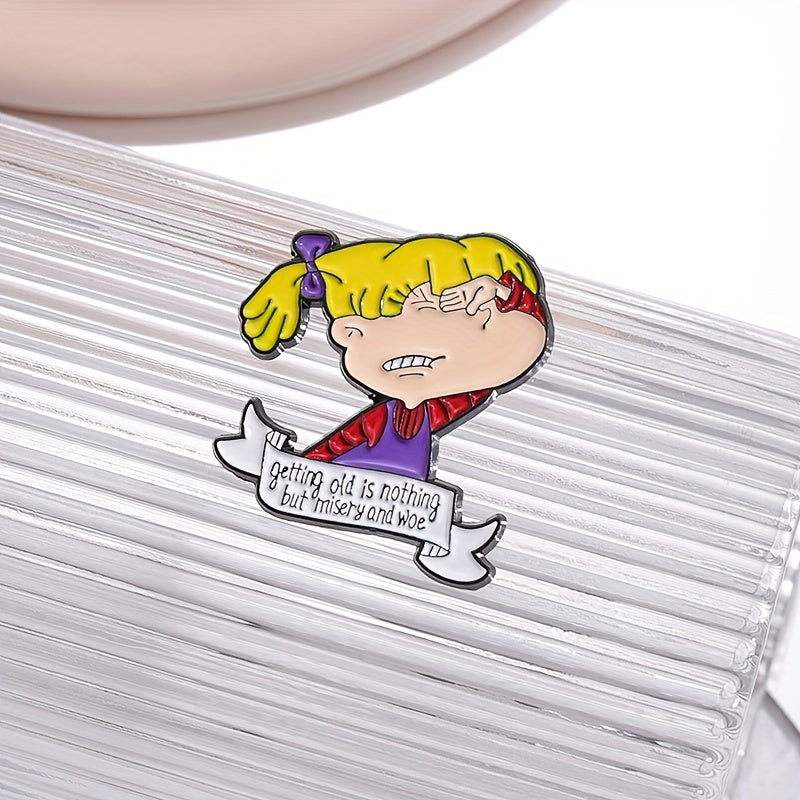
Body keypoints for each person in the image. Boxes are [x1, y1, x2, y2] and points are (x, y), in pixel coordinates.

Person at [240, 230, 552, 482]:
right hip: (355, 498)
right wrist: (296, 470)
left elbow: (524, 332)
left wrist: (501, 290)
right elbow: (345, 441)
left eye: (426, 309)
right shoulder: (399, 412)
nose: (348, 333)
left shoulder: (454, 394)